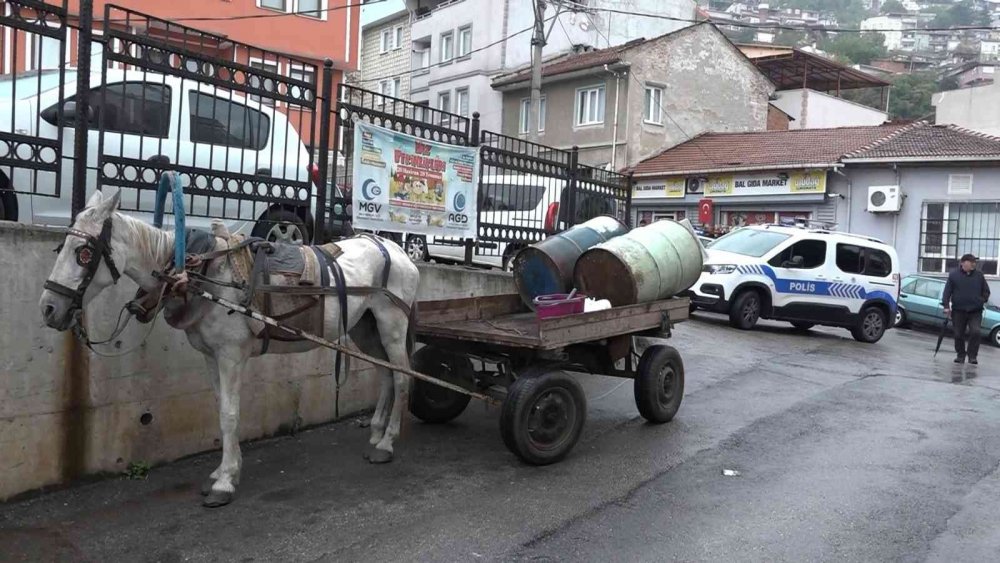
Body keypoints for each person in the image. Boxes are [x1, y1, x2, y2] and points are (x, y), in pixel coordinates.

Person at [942, 254, 991, 364]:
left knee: (976, 332)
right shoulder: (954, 275)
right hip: (958, 311)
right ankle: (960, 355)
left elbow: (986, 291)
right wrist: (946, 306)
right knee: (958, 334)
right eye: (971, 262)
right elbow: (947, 292)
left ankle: (972, 356)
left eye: (974, 262)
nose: (974, 264)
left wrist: (981, 300)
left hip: (975, 311)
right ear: (963, 263)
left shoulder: (979, 275)